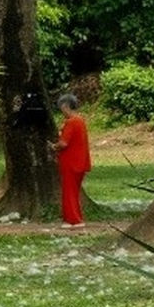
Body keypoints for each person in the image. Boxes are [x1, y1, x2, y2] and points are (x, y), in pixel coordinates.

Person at [53, 92, 91, 227]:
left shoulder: (71, 122)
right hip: (80, 161)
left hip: (71, 162)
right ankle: (73, 217)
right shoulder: (80, 120)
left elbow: (63, 143)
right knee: (73, 191)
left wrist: (54, 146)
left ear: (66, 106)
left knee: (69, 191)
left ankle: (73, 219)